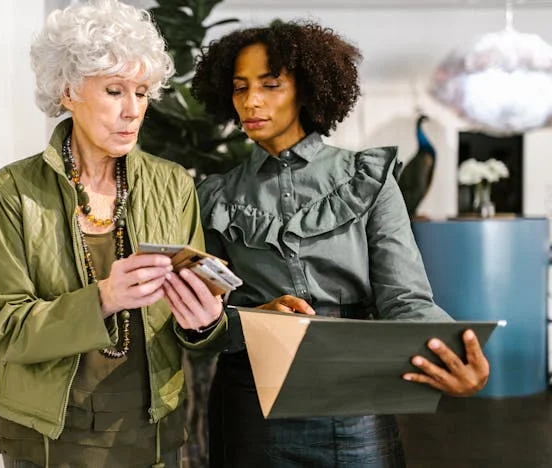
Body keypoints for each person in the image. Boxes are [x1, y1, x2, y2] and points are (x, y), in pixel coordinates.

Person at [189, 20, 491, 467]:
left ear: (308, 90)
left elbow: (405, 297)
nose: (250, 101)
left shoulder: (368, 179)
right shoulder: (216, 196)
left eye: (271, 85)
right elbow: (201, 316)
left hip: (355, 395)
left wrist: (449, 348)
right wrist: (248, 320)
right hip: (250, 403)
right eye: (240, 88)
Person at [0, 1, 224, 467]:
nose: (133, 111)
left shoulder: (173, 184)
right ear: (68, 90)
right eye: (114, 91)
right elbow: (4, 328)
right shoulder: (13, 191)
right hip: (47, 438)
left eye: (143, 92)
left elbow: (195, 325)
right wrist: (104, 297)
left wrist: (203, 321)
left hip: (151, 435)